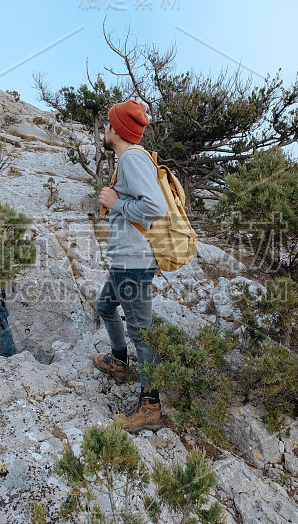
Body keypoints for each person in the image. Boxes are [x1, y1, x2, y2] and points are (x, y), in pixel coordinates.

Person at [94, 99, 168, 432]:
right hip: (124, 259)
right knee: (105, 306)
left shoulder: (132, 158)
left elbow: (155, 207)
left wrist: (116, 203)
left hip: (133, 263)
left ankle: (150, 405)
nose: (105, 129)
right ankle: (119, 361)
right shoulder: (128, 159)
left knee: (142, 332)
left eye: (108, 124)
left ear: (116, 129)